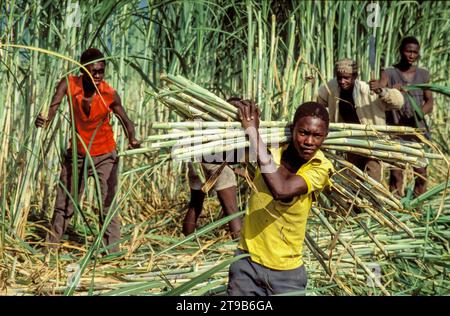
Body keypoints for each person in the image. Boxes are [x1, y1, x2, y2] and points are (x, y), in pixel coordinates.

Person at [35, 48, 140, 254]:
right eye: (94, 71)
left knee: (107, 205)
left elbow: (127, 122)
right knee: (64, 204)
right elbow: (52, 108)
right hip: (77, 155)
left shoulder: (109, 94)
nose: (99, 75)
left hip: (105, 156)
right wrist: (44, 119)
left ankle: (111, 253)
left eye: (102, 71)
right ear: (83, 70)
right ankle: (50, 250)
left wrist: (132, 138)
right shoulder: (69, 84)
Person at [226, 100, 334, 296]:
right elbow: (227, 149)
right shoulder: (270, 149)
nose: (309, 142)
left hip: (287, 274)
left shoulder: (321, 167)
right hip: (246, 263)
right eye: (303, 133)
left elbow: (281, 190)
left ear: (325, 137)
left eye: (317, 136)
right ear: (293, 130)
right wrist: (236, 108)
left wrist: (252, 132)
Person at [316, 58, 404, 182]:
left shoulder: (368, 90)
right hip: (348, 141)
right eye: (339, 77)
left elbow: (398, 102)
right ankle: (352, 201)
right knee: (350, 178)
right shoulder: (331, 87)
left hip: (372, 141)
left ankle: (371, 201)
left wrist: (381, 91)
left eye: (346, 78)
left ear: (355, 76)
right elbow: (318, 104)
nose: (342, 81)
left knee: (372, 175)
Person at [379, 36, 433, 197]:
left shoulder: (423, 74)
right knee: (396, 174)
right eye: (408, 51)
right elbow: (381, 89)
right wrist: (390, 89)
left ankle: (417, 207)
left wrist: (419, 113)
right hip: (396, 131)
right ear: (401, 51)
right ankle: (396, 209)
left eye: (415, 52)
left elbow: (429, 101)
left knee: (421, 173)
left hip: (417, 132)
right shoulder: (389, 72)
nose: (411, 55)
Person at [183, 162, 241, 238]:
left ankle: (185, 243)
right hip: (217, 163)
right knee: (232, 210)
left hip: (195, 164)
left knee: (195, 206)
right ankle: (240, 245)